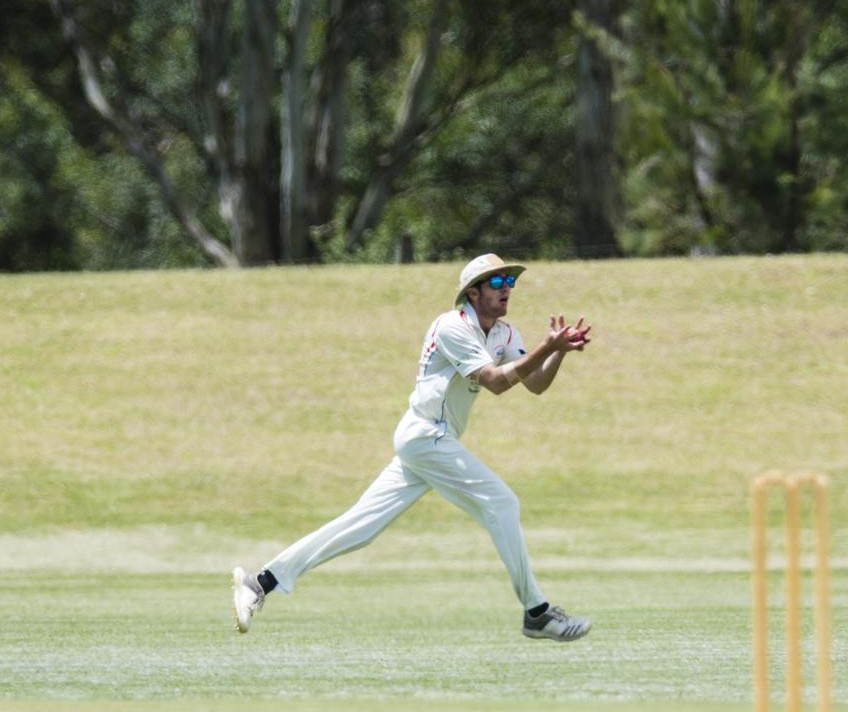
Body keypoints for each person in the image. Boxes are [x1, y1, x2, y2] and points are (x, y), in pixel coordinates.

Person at [232, 253, 594, 641]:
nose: (506, 290)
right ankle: (537, 612)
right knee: (502, 502)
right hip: (424, 434)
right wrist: (546, 345)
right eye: (496, 283)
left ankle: (259, 583)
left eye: (510, 282)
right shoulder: (451, 326)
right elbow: (494, 381)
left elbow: (535, 383)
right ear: (472, 293)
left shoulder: (505, 334)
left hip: (431, 442)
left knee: (359, 528)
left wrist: (557, 352)